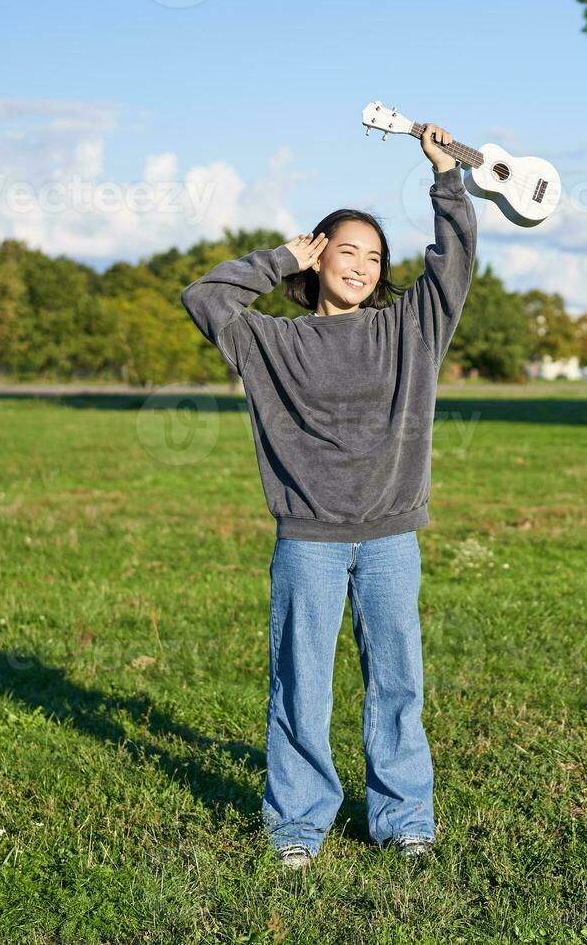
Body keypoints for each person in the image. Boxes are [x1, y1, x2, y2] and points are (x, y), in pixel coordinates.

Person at [180, 125, 476, 870]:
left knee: (398, 685)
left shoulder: (409, 328)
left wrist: (446, 179)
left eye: (375, 256)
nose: (363, 265)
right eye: (347, 250)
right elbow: (204, 296)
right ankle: (297, 829)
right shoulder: (271, 342)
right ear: (319, 258)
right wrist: (281, 257)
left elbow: (454, 266)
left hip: (390, 538)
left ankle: (404, 819)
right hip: (307, 541)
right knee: (300, 689)